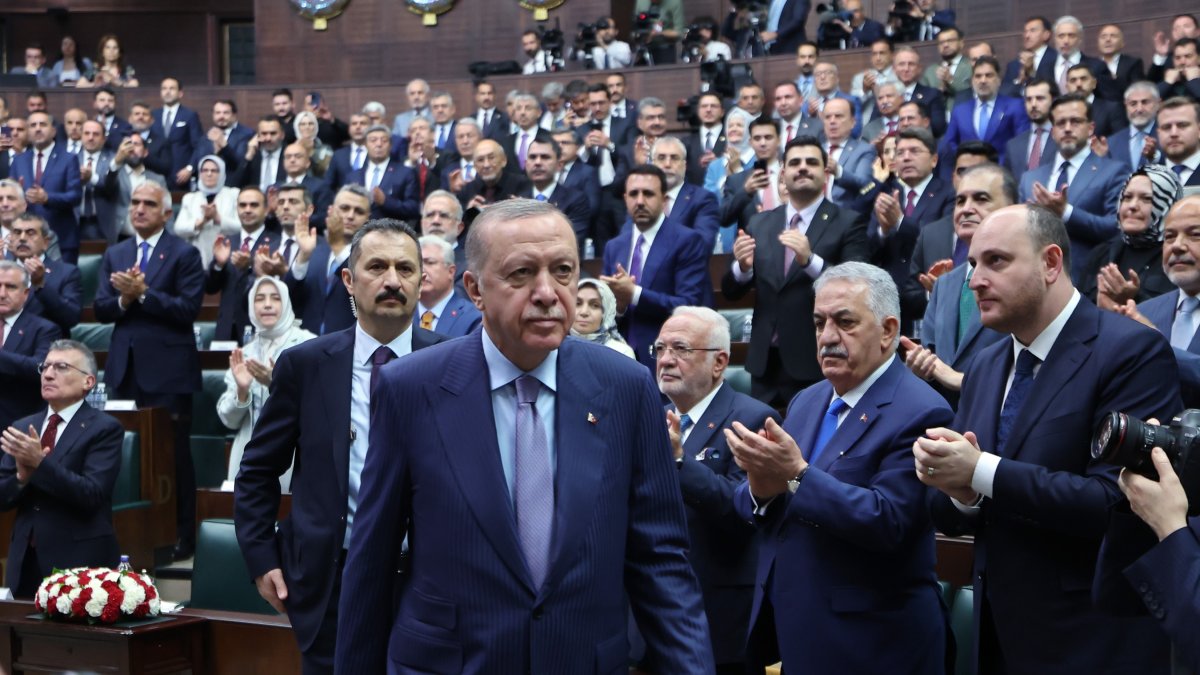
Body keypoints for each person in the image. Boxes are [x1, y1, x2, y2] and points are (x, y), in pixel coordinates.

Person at [335, 198, 713, 672]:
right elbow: (372, 562)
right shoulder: (410, 388)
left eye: (563, 271)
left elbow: (661, 563)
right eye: (520, 274)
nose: (548, 292)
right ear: (474, 288)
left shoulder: (627, 387)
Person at [915, 204, 1180, 674]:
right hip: (997, 632)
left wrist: (979, 471)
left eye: (996, 261)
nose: (974, 279)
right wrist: (962, 492)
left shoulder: (1131, 351)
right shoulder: (985, 365)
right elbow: (950, 510)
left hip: (1093, 641)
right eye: (973, 264)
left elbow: (1117, 504)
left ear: (1051, 263)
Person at [237, 218, 444, 674]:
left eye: (406, 269)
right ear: (348, 279)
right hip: (331, 581)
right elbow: (257, 471)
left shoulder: (455, 362)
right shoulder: (305, 365)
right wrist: (260, 558)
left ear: (421, 281)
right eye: (377, 266)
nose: (393, 280)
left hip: (429, 581)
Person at [726, 261, 952, 673]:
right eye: (819, 323)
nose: (828, 337)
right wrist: (760, 487)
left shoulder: (923, 410)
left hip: (875, 645)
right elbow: (757, 503)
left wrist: (795, 475)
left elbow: (890, 522)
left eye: (844, 322)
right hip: (799, 633)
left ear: (887, 331)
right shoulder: (806, 401)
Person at [654, 305, 779, 674]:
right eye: (659, 349)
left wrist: (680, 462)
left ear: (719, 362)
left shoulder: (752, 419)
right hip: (651, 612)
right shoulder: (650, 414)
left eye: (680, 349)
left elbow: (744, 511)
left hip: (717, 617)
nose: (666, 360)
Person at [94, 182, 204, 561]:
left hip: (169, 372)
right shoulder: (117, 252)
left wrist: (143, 294)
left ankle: (180, 536)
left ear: (166, 213)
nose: (138, 209)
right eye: (135, 202)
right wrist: (125, 298)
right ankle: (134, 537)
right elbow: (101, 309)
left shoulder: (184, 253)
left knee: (172, 457)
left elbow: (188, 310)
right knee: (126, 455)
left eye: (148, 204)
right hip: (125, 369)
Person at [722, 136, 868, 408]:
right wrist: (741, 268)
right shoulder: (761, 222)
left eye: (811, 162)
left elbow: (856, 287)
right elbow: (731, 291)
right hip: (764, 363)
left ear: (825, 172)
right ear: (783, 171)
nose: (802, 168)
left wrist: (810, 260)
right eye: (795, 163)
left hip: (817, 359)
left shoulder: (848, 222)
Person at [0, 339, 123, 598]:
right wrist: (21, 478)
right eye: (45, 367)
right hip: (25, 559)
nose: (48, 373)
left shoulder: (104, 429)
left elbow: (91, 494)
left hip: (79, 562)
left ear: (88, 382)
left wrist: (40, 464)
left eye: (61, 367)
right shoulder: (24, 426)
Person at [902, 163, 1013, 397]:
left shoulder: (1022, 276)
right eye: (960, 201)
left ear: (1012, 208)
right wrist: (921, 367)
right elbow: (931, 358)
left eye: (981, 199)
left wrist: (960, 380)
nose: (966, 209)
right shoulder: (944, 284)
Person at [601, 166, 713, 369]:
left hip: (669, 358)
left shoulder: (687, 241)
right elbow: (609, 314)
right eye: (634, 194)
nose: (640, 201)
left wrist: (634, 294)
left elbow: (689, 305)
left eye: (648, 194)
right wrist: (619, 306)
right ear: (625, 198)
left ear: (664, 199)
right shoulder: (614, 247)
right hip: (619, 360)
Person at [1019, 93, 1131, 283]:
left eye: (1076, 121)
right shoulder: (1030, 178)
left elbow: (1117, 227)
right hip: (1037, 282)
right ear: (1053, 131)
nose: (1068, 128)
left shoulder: (1114, 171)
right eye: (1061, 123)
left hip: (1089, 280)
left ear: (1090, 128)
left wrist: (1066, 212)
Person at [218, 276, 314, 489]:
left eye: (275, 298)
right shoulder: (244, 353)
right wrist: (242, 391)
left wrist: (276, 383)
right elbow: (229, 420)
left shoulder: (309, 344)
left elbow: (318, 406)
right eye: (259, 299)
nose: (267, 304)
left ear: (287, 303)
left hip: (294, 456)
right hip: (247, 454)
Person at [1117, 195, 1200, 407]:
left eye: (1195, 235)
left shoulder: (1145, 325)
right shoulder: (1145, 312)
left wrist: (1156, 345)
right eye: (1170, 237)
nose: (1177, 246)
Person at [1080, 166, 1181, 308]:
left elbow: (1177, 315)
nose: (1132, 206)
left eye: (1146, 199)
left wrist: (1133, 298)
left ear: (1167, 203)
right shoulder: (1101, 254)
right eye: (1127, 197)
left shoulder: (1178, 256)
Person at [282, 184, 372, 336]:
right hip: (309, 344)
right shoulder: (315, 249)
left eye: (358, 211)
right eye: (344, 208)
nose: (350, 215)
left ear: (368, 218)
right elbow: (291, 301)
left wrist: (337, 246)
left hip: (349, 347)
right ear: (331, 211)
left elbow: (359, 301)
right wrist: (303, 256)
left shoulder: (373, 255)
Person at [206, 187, 280, 345]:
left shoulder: (276, 243)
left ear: (266, 209)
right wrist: (218, 265)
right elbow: (211, 287)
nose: (247, 210)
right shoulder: (227, 242)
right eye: (242, 205)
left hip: (260, 328)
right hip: (226, 328)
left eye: (254, 205)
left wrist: (250, 266)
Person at [9, 112, 82, 264]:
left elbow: (75, 196)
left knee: (61, 282)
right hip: (26, 240)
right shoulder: (19, 160)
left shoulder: (69, 159)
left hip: (62, 237)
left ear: (53, 131)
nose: (37, 129)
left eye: (42, 124)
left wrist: (47, 198)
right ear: (28, 131)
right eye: (33, 125)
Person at [0, 260, 61, 431]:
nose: (2, 293)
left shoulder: (45, 329)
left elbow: (40, 368)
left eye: (10, 287)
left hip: (19, 426)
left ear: (26, 293)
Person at [939, 56, 1030, 169]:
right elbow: (950, 143)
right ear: (972, 81)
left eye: (989, 75)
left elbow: (1022, 142)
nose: (983, 80)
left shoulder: (1015, 106)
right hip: (969, 174)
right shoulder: (960, 110)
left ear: (998, 80)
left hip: (1003, 173)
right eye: (978, 76)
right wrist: (966, 163)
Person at [7, 212, 82, 336]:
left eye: (30, 233)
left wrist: (41, 285)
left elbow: (71, 318)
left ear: (46, 242)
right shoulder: (3, 270)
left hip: (47, 349)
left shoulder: (67, 273)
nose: (22, 238)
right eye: (17, 232)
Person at [650, 136, 721, 250]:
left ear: (685, 165)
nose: (667, 164)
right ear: (653, 164)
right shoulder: (642, 197)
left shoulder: (703, 199)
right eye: (661, 158)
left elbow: (703, 244)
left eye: (674, 158)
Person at [174, 155, 240, 269]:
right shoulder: (190, 198)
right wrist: (201, 222)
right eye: (205, 170)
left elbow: (241, 227)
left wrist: (217, 218)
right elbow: (178, 229)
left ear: (222, 173)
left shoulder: (233, 195)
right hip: (196, 258)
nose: (209, 174)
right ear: (199, 174)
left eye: (214, 170)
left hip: (227, 257)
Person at [415, 235, 480, 338]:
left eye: (430, 262)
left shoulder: (473, 318)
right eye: (417, 264)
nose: (422, 270)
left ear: (451, 271)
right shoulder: (400, 314)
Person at [352, 125, 419, 222]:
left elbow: (413, 207)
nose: (379, 144)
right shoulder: (354, 175)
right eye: (373, 140)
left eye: (384, 140)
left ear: (390, 145)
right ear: (365, 145)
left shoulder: (405, 172)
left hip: (391, 230)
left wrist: (386, 202)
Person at [1003, 78, 1058, 182]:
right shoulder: (1013, 145)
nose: (1033, 104)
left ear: (1053, 100)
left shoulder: (1063, 140)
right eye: (1029, 99)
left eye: (1040, 98)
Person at [153, 77, 204, 187]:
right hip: (157, 175)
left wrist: (190, 168)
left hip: (181, 175)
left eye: (172, 88)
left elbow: (198, 145)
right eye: (164, 88)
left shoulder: (190, 115)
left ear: (180, 93)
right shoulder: (153, 115)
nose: (167, 92)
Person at [572, 278, 635, 359]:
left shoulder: (621, 353)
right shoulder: (555, 348)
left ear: (606, 313)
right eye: (578, 303)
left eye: (595, 305)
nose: (584, 312)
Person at [1105, 82, 1162, 171]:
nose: (1139, 109)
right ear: (1126, 106)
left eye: (1145, 102)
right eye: (1133, 104)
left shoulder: (1168, 136)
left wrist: (1154, 156)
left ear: (1158, 103)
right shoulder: (1111, 143)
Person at [1000, 16, 1058, 98]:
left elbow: (1055, 89)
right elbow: (1004, 93)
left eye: (1032, 31)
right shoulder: (1014, 65)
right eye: (1025, 31)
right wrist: (1020, 79)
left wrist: (1031, 73)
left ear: (1046, 35)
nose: (1026, 36)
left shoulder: (1057, 58)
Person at [294, 111, 333, 179]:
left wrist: (311, 152)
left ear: (315, 126)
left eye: (311, 124)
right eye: (303, 124)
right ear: (297, 127)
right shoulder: (291, 149)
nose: (307, 127)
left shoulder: (325, 149)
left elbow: (327, 171)